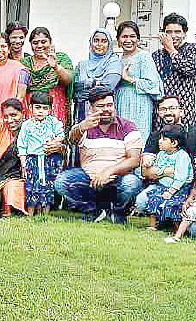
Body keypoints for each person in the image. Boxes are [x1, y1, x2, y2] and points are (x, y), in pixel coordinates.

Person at [55, 86, 143, 223]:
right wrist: (82, 127)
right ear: (91, 109)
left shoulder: (128, 126)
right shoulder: (84, 126)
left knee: (132, 183)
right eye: (101, 106)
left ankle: (117, 212)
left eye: (110, 105)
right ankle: (92, 210)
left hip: (117, 178)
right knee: (62, 182)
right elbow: (71, 140)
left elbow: (134, 160)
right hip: (89, 179)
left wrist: (108, 171)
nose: (107, 109)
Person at [0, 99, 34, 217]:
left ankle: (14, 211)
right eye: (6, 116)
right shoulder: (2, 125)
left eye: (14, 115)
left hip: (22, 176)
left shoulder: (30, 129)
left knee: (12, 186)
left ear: (23, 113)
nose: (9, 120)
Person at [135, 124, 194, 230]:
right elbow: (158, 168)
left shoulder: (182, 156)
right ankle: (152, 225)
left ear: (174, 143)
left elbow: (181, 177)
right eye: (160, 138)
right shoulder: (162, 153)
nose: (160, 141)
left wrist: (171, 191)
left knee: (174, 204)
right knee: (153, 198)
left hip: (179, 188)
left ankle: (177, 228)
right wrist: (150, 163)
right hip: (162, 185)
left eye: (164, 139)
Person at [0, 32, 29, 167]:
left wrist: (10, 116)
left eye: (3, 46)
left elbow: (20, 97)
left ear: (9, 49)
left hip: (14, 118)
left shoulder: (21, 69)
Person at [17, 91, 64, 216]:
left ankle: (45, 215)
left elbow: (61, 135)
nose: (40, 111)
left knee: (47, 185)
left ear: (50, 109)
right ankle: (31, 214)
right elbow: (22, 145)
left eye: (44, 108)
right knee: (32, 186)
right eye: (37, 108)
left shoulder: (53, 122)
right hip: (32, 159)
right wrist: (23, 163)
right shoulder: (27, 125)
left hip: (49, 159)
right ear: (30, 108)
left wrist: (55, 141)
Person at [114, 21, 163, 138]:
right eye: (124, 37)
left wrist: (129, 79)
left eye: (132, 36)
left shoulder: (144, 56)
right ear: (118, 39)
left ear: (138, 39)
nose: (128, 40)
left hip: (139, 102)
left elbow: (153, 85)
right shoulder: (117, 59)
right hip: (120, 101)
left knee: (138, 137)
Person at [153, 13, 196, 128]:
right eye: (169, 32)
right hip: (162, 113)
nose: (173, 35)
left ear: (184, 33)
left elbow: (188, 69)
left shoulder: (192, 49)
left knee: (187, 143)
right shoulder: (156, 55)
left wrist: (171, 50)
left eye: (178, 32)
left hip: (185, 110)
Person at [22, 27, 73, 125]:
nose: (39, 45)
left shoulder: (61, 58)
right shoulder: (25, 63)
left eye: (43, 42)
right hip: (31, 107)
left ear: (50, 42)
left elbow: (68, 80)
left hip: (55, 107)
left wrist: (56, 67)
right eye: (35, 43)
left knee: (53, 136)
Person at [73, 28, 122, 123]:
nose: (99, 45)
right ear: (91, 43)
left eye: (104, 41)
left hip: (105, 111)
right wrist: (95, 84)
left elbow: (107, 87)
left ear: (109, 44)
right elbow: (75, 87)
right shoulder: (82, 65)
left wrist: (85, 87)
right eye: (96, 41)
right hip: (82, 111)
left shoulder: (114, 63)